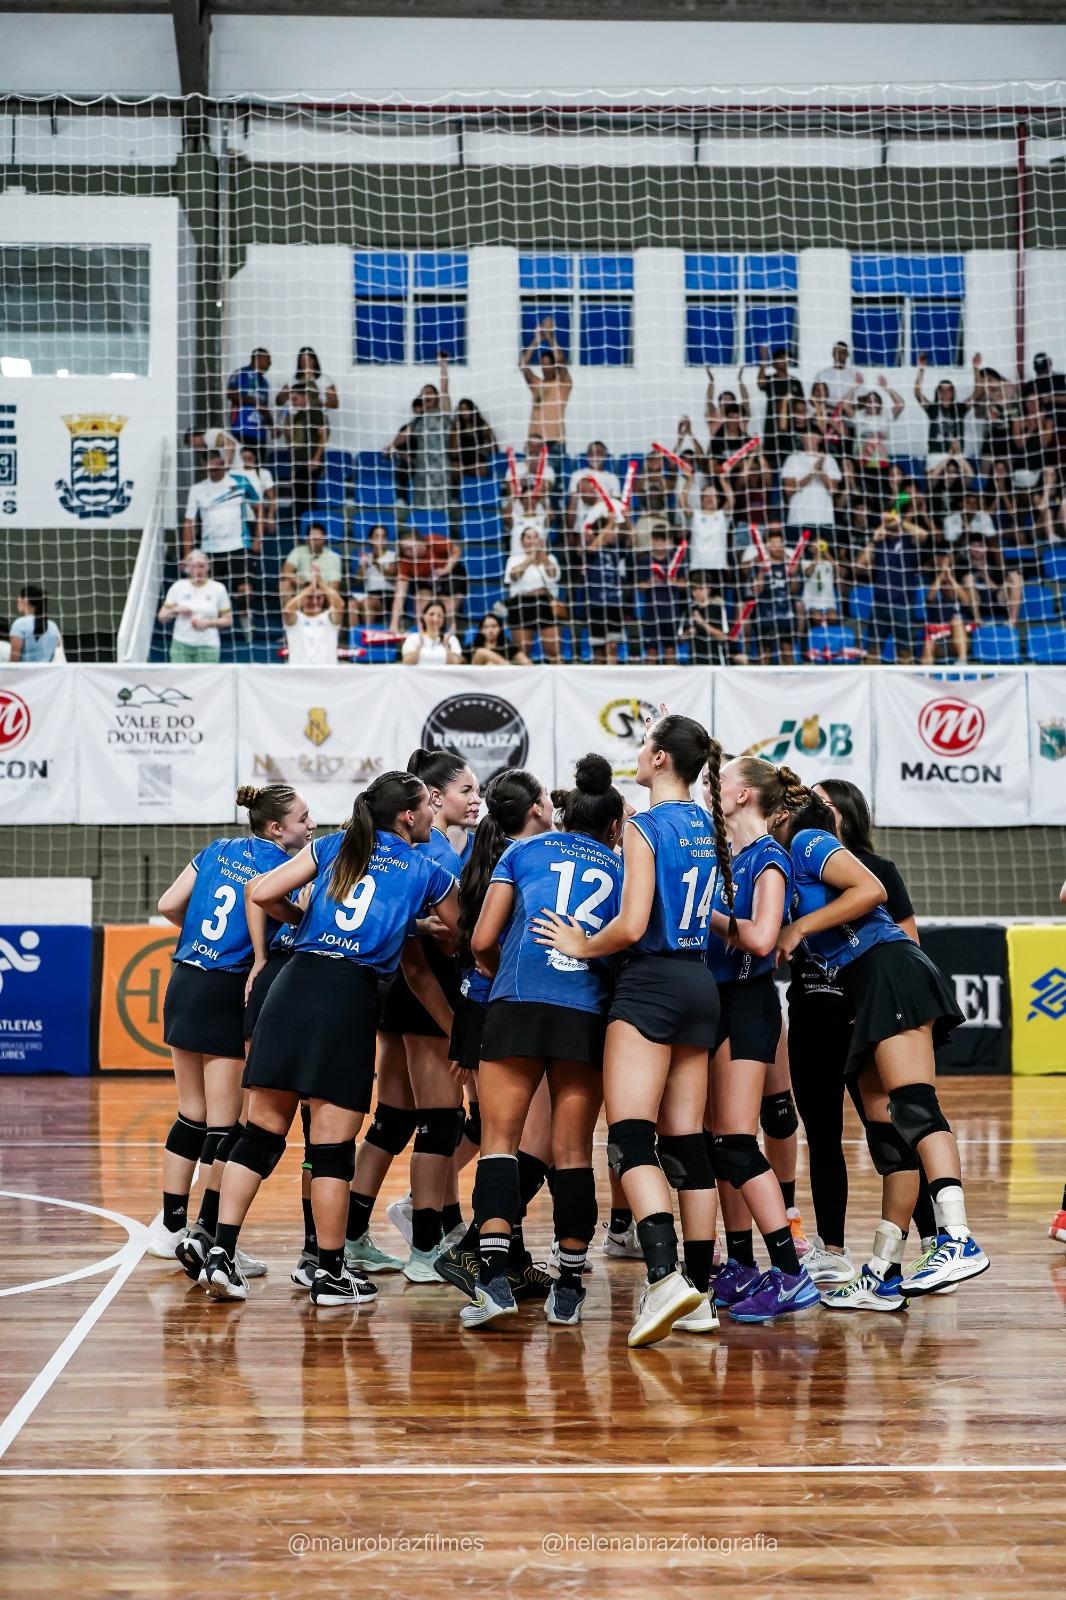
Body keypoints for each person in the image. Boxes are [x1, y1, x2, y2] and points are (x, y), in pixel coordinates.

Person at [200, 770, 460, 1306]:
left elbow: (260, 890)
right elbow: (460, 936)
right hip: (348, 998)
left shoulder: (337, 843)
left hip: (294, 983)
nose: (434, 814)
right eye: (427, 806)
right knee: (332, 1150)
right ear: (408, 816)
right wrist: (418, 927)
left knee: (260, 1134)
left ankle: (219, 1253)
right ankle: (329, 1272)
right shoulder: (428, 871)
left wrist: (304, 919)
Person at [534, 714, 733, 1348]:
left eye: (645, 746)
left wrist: (581, 943)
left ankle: (664, 1277)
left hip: (650, 984)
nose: (637, 754)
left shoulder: (645, 827)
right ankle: (698, 1294)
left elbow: (631, 921)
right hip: (699, 983)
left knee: (628, 1143)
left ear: (662, 762)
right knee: (687, 1147)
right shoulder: (706, 822)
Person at [773, 784, 988, 1309]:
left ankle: (957, 1237)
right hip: (862, 994)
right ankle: (882, 1270)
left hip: (891, 973)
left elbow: (870, 891)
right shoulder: (774, 867)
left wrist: (800, 927)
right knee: (888, 1138)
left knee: (915, 1108)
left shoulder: (809, 843)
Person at [456, 755, 625, 1330]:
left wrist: (508, 970)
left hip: (517, 1004)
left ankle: (494, 1281)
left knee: (499, 1144)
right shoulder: (624, 866)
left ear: (563, 811)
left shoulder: (522, 851)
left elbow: (480, 939)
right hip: (585, 1011)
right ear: (611, 825)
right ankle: (570, 1286)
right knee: (573, 1153)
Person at [148, 784, 314, 1273]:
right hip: (227, 987)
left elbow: (168, 905)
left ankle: (172, 1224)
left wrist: (199, 936)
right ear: (276, 827)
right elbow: (284, 923)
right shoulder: (282, 869)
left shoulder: (217, 849)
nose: (312, 827)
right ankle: (207, 1236)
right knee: (226, 1126)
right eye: (304, 819)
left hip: (184, 980)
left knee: (190, 1113)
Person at [434, 770, 561, 1303]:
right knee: (527, 1143)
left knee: (515, 1139)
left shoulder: (505, 854)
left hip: (490, 1008)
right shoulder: (527, 861)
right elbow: (481, 948)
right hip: (502, 1010)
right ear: (534, 809)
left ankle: (509, 1257)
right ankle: (470, 1249)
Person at [701, 758, 818, 1324]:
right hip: (715, 1004)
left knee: (738, 1142)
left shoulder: (770, 857)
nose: (713, 791)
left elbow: (765, 939)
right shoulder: (732, 857)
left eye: (720, 783)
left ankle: (792, 1275)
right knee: (721, 1145)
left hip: (747, 1005)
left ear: (744, 795)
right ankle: (742, 1264)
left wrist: (709, 914)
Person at [182, 450, 260, 627]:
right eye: (210, 469)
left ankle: (246, 619)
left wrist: (258, 538)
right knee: (207, 593)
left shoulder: (240, 482)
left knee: (245, 590)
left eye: (217, 467)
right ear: (205, 467)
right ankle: (210, 626)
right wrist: (186, 555)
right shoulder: (197, 489)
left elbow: (258, 507)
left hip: (239, 545)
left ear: (224, 463)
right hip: (209, 550)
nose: (214, 471)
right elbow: (189, 523)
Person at [856, 508, 929, 664]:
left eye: (891, 519)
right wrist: (873, 541)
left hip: (903, 605)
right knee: (873, 651)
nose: (889, 522)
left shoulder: (908, 540)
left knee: (904, 652)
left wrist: (900, 521)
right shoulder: (879, 544)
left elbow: (924, 535)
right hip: (880, 605)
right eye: (886, 520)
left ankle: (904, 686)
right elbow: (859, 565)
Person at [385, 354, 452, 512]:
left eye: (430, 392)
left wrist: (443, 366)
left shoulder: (443, 414)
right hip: (423, 469)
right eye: (424, 392)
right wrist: (391, 446)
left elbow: (444, 389)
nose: (427, 394)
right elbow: (403, 436)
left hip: (441, 468)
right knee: (422, 507)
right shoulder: (417, 421)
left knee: (441, 507)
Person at [519, 317, 572, 492]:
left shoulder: (563, 384)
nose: (545, 368)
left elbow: (562, 360)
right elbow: (523, 365)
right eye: (542, 365)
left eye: (548, 365)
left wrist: (549, 336)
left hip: (554, 443)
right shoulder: (537, 384)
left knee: (551, 486)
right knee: (531, 485)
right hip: (534, 443)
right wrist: (536, 340)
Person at [158, 550, 232, 664]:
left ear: (208, 567)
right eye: (194, 567)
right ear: (188, 569)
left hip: (208, 645)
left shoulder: (218, 588)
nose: (198, 570)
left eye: (201, 566)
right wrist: (175, 610)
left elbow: (228, 620)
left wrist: (208, 623)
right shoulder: (178, 587)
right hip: (181, 644)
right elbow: (161, 617)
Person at [503, 525, 562, 663]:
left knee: (554, 651)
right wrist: (530, 558)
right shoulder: (514, 559)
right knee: (523, 652)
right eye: (528, 537)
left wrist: (542, 555)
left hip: (545, 603)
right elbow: (513, 576)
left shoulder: (550, 558)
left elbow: (553, 574)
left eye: (535, 536)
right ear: (522, 541)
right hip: (521, 605)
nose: (532, 540)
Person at [781, 429, 843, 547]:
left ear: (819, 439)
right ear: (802, 439)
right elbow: (788, 490)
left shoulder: (829, 459)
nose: (810, 439)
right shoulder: (793, 458)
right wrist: (813, 472)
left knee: (824, 562)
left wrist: (820, 471)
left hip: (824, 521)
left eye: (814, 436)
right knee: (797, 561)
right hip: (798, 520)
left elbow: (833, 489)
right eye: (807, 436)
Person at [914, 353, 977, 468]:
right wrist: (921, 369)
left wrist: (976, 368)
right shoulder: (932, 409)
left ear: (953, 392)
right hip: (935, 455)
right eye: (942, 390)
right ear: (937, 393)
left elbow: (978, 392)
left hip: (955, 454)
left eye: (948, 390)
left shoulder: (960, 408)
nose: (945, 393)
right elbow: (917, 393)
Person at [580, 507, 626, 664]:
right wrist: (610, 523)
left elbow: (631, 540)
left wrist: (624, 519)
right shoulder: (591, 551)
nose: (614, 533)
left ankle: (613, 681)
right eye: (612, 530)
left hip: (614, 605)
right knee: (598, 650)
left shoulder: (615, 550)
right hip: (596, 605)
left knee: (612, 646)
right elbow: (593, 547)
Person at [749, 526, 800, 664]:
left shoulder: (790, 564)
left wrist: (793, 575)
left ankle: (791, 681)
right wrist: (762, 570)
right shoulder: (758, 564)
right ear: (767, 546)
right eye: (774, 544)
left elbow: (793, 590)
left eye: (780, 544)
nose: (777, 547)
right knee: (765, 653)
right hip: (765, 613)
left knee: (787, 651)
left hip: (785, 613)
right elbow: (755, 591)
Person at [282, 383, 329, 525]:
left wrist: (316, 459)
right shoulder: (297, 416)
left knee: (307, 498)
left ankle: (308, 528)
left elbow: (323, 435)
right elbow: (295, 443)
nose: (293, 402)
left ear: (305, 397)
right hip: (299, 463)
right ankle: (300, 529)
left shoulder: (315, 412)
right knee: (298, 497)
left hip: (310, 463)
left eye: (295, 398)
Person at [756, 346, 805, 470]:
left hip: (791, 429)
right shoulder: (771, 379)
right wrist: (763, 360)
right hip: (772, 429)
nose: (785, 360)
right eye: (781, 358)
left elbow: (801, 405)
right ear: (774, 362)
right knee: (771, 462)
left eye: (786, 358)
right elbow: (760, 383)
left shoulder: (795, 382)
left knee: (790, 462)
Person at [282, 571, 345, 666]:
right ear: (302, 598)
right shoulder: (296, 618)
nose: (314, 601)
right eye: (310, 597)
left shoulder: (329, 617)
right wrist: (311, 587)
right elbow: (288, 610)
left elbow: (340, 605)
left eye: (318, 597)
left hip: (327, 673)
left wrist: (321, 583)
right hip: (299, 673)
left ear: (324, 599)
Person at [679, 476, 733, 579]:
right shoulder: (695, 515)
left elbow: (731, 500)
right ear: (701, 499)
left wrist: (722, 480)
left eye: (713, 496)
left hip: (719, 567)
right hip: (698, 567)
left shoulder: (722, 515)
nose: (709, 499)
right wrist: (689, 480)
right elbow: (682, 502)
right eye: (706, 496)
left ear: (718, 499)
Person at [921, 554, 970, 666]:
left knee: (956, 620)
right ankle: (926, 676)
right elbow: (930, 597)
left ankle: (962, 661)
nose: (947, 587)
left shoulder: (960, 602)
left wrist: (950, 577)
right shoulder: (936, 603)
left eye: (950, 584)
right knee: (929, 640)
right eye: (943, 584)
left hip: (960, 642)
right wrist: (942, 574)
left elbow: (967, 600)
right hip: (941, 643)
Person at [279, 520, 343, 605]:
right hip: (302, 592)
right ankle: (289, 617)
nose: (315, 541)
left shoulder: (334, 557)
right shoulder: (298, 551)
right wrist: (299, 581)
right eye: (312, 538)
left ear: (324, 538)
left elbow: (334, 586)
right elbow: (286, 572)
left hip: (323, 592)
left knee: (332, 594)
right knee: (284, 585)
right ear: (306, 539)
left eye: (317, 538)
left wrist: (319, 583)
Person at [349, 524, 398, 628]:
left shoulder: (393, 555)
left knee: (368, 603)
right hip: (369, 594)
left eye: (383, 536)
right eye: (377, 536)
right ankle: (355, 637)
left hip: (387, 596)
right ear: (371, 539)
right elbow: (358, 582)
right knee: (352, 604)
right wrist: (363, 566)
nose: (381, 539)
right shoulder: (366, 557)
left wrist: (375, 562)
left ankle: (368, 637)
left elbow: (392, 578)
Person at [681, 574, 732, 666]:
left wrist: (702, 623)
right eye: (694, 589)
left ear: (708, 589)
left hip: (715, 662)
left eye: (700, 589)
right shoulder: (689, 609)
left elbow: (723, 637)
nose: (697, 592)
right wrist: (689, 632)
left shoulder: (718, 609)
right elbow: (680, 639)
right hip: (694, 662)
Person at [449, 397, 497, 491]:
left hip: (477, 459)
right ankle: (456, 497)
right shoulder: (456, 427)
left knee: (482, 469)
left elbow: (494, 447)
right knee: (454, 469)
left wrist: (484, 449)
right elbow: (452, 452)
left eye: (466, 409)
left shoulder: (482, 425)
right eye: (462, 410)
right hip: (461, 459)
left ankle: (481, 494)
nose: (464, 412)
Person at [9, 584, 63, 663]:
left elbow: (14, 659)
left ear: (25, 600)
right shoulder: (53, 626)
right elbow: (59, 652)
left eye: (19, 598)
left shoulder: (19, 624)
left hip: (25, 674)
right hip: (48, 673)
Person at [400, 600, 464, 666]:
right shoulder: (413, 637)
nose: (435, 619)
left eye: (439, 616)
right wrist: (420, 645)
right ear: (424, 617)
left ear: (443, 620)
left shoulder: (451, 639)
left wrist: (446, 646)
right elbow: (406, 662)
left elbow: (456, 664)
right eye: (431, 614)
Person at [277, 346, 339, 413]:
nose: (305, 363)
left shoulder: (324, 379)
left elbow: (335, 404)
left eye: (308, 360)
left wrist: (314, 403)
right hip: (296, 419)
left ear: (314, 361)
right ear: (299, 363)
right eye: (302, 360)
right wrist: (290, 394)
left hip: (318, 418)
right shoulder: (294, 380)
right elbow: (278, 402)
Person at [226, 348, 272, 433]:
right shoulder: (241, 373)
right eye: (267, 359)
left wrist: (272, 427)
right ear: (257, 358)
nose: (270, 363)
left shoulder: (265, 382)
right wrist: (251, 401)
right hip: (241, 429)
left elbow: (264, 407)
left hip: (260, 433)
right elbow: (230, 394)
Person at [813, 342, 860, 407]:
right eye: (838, 352)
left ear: (847, 354)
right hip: (827, 412)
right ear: (833, 354)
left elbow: (858, 398)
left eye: (843, 352)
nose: (841, 354)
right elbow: (815, 398)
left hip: (849, 413)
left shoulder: (854, 376)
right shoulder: (822, 375)